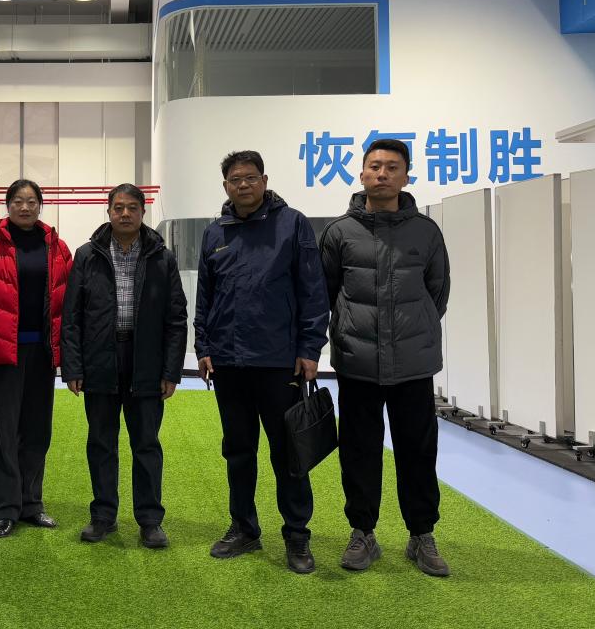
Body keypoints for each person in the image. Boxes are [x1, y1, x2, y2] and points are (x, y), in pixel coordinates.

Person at [319, 138, 451, 577]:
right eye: (374, 166)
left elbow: (437, 292)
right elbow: (326, 293)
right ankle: (363, 533)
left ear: (406, 177)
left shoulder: (426, 232)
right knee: (359, 451)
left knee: (418, 450)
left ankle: (421, 535)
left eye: (392, 167)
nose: (382, 174)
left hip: (413, 364)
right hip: (357, 362)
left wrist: (412, 329)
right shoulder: (339, 232)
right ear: (361, 174)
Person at [195, 150, 329, 574]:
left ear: (265, 180)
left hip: (279, 362)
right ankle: (244, 528)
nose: (244, 185)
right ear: (225, 186)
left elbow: (313, 291)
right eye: (235, 179)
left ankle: (297, 535)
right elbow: (205, 297)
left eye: (251, 178)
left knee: (288, 453)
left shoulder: (292, 224)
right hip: (228, 362)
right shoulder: (215, 232)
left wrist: (310, 349)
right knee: (238, 451)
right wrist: (203, 347)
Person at [61, 183, 187, 549]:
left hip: (146, 360)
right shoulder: (88, 255)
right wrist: (73, 367)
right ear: (109, 211)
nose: (125, 213)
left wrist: (171, 371)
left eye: (132, 207)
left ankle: (150, 520)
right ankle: (103, 516)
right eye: (118, 207)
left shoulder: (162, 257)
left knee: (146, 443)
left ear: (143, 212)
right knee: (101, 442)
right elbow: (71, 317)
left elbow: (176, 318)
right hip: (100, 358)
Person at [0, 179, 72, 538]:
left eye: (31, 201)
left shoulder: (56, 247)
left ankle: (32, 504)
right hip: (2, 354)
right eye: (18, 201)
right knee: (4, 432)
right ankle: (7, 509)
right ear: (7, 205)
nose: (25, 207)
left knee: (37, 431)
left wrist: (67, 352)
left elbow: (70, 301)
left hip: (43, 353)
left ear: (40, 205)